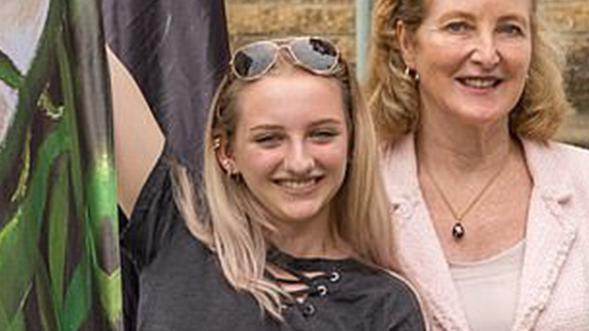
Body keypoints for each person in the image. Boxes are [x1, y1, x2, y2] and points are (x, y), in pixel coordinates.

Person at [115, 36, 426, 330]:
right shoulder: (175, 230)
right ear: (227, 152)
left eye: (322, 134)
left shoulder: (385, 306)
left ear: (352, 144)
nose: (299, 162)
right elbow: (79, 48)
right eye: (269, 139)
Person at [367, 0, 589, 330]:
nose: (487, 54)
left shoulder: (581, 181)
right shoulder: (359, 193)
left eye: (509, 29)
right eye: (458, 26)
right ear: (407, 44)